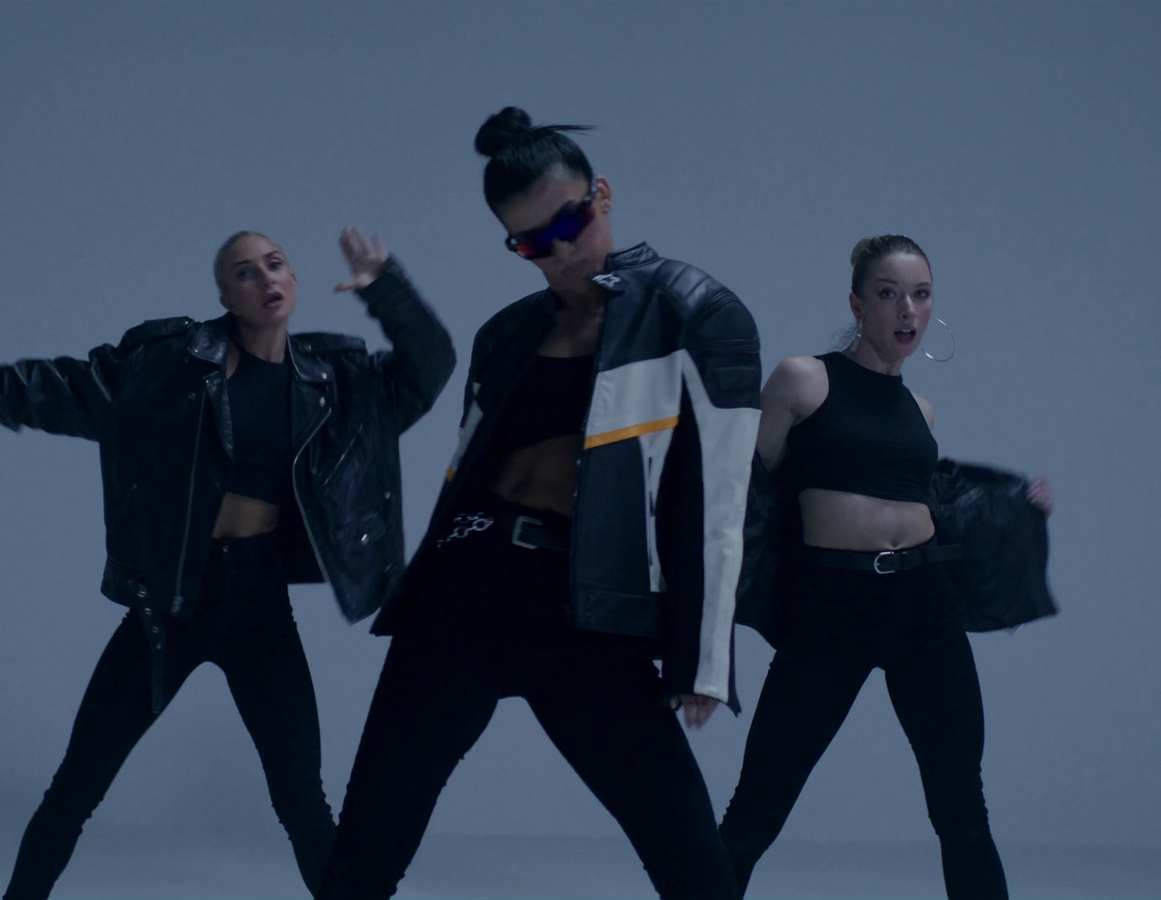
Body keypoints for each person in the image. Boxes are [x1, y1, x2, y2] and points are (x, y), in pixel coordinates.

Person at [0, 228, 455, 899]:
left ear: (293, 281)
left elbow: (430, 364)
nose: (264, 278)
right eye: (243, 272)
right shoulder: (169, 368)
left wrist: (386, 287)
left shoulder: (338, 385)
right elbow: (54, 386)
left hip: (261, 606)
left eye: (274, 264)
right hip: (172, 605)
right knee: (76, 787)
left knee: (302, 800)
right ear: (224, 296)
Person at [316, 106, 762, 900]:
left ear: (604, 196)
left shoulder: (695, 311)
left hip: (584, 608)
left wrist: (704, 653)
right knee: (365, 850)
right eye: (531, 242)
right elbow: (464, 472)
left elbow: (722, 494)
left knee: (694, 866)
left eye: (569, 221)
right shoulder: (507, 333)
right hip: (464, 593)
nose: (558, 252)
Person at [719, 234, 1056, 899]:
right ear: (857, 302)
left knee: (961, 807)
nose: (908, 309)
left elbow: (938, 503)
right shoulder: (801, 379)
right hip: (830, 612)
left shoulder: (919, 411)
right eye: (889, 293)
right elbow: (746, 494)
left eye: (921, 295)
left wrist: (1015, 509)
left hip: (923, 613)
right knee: (759, 804)